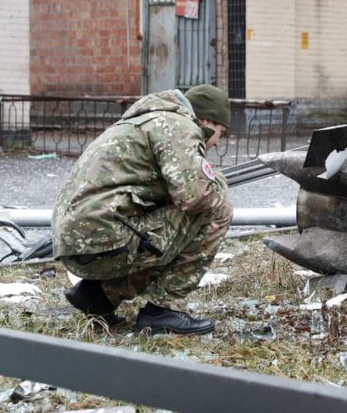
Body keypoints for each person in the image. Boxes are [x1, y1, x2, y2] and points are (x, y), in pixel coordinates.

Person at [52, 85, 233, 335]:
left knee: (169, 230)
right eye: (220, 133)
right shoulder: (179, 126)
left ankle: (99, 296)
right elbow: (195, 198)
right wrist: (216, 182)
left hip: (78, 243)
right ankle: (163, 309)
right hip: (102, 240)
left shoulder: (147, 121)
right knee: (217, 208)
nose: (215, 143)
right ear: (207, 120)